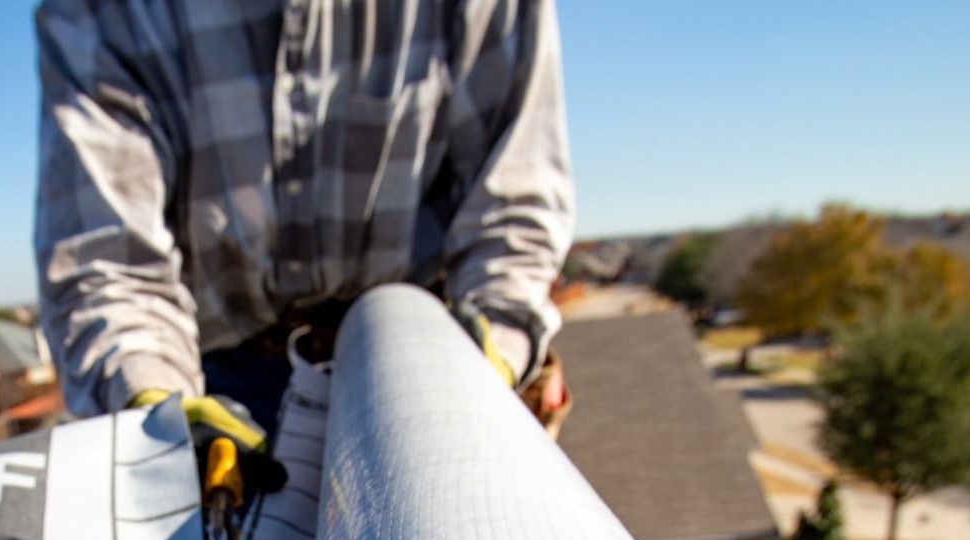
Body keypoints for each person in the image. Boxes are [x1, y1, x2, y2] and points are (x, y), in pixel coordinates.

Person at [33, 0, 574, 441]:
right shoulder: (104, 12)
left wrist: (490, 357)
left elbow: (511, 207)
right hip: (218, 393)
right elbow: (107, 264)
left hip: (425, 367)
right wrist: (157, 415)